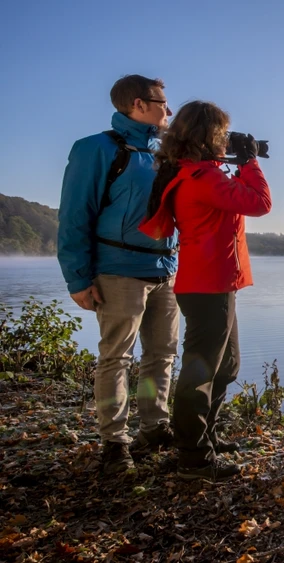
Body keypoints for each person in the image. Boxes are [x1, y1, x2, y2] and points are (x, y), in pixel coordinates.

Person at [140, 101, 271, 480]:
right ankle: (193, 457)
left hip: (214, 283)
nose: (226, 140)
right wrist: (249, 162)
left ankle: (204, 439)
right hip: (207, 285)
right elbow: (260, 203)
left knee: (226, 367)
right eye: (222, 134)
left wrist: (237, 161)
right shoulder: (202, 178)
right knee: (200, 372)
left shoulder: (199, 172)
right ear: (207, 136)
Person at [57, 75, 179, 475]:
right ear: (138, 104)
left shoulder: (166, 153)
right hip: (118, 272)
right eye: (163, 102)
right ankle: (115, 443)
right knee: (116, 358)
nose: (169, 110)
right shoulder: (96, 149)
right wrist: (78, 278)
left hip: (165, 271)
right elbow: (75, 217)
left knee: (161, 356)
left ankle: (155, 427)